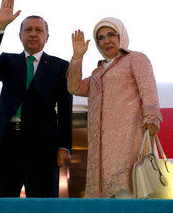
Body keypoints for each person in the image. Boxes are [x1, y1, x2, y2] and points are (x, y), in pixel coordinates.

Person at [0, 0, 73, 198]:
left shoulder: (60, 67)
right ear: (20, 36)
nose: (33, 34)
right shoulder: (8, 61)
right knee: (2, 204)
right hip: (7, 144)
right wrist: (0, 26)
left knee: (43, 205)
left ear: (47, 37)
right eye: (28, 30)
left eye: (38, 30)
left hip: (44, 148)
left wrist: (64, 146)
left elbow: (66, 110)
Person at [67, 17, 162, 198]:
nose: (106, 41)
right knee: (103, 198)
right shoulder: (98, 72)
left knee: (127, 193)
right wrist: (77, 57)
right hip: (100, 148)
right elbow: (74, 87)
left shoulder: (135, 58)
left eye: (111, 34)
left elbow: (148, 90)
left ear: (122, 35)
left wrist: (151, 120)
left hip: (128, 140)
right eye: (101, 38)